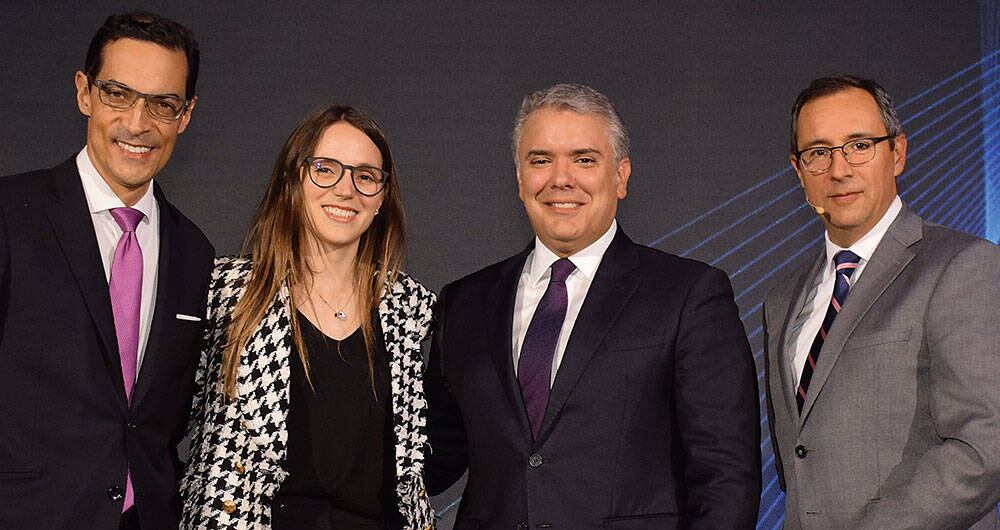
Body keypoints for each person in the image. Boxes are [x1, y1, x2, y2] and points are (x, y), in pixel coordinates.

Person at [425, 83, 760, 528]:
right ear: (520, 179)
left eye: (584, 159)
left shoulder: (689, 295)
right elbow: (428, 459)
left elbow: (726, 476)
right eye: (540, 160)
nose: (561, 179)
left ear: (620, 176)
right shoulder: (463, 303)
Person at [0, 11, 212, 530]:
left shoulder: (195, 253)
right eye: (118, 94)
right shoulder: (9, 215)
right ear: (84, 93)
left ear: (185, 115)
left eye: (163, 104)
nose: (138, 124)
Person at [180, 104, 435, 529]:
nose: (346, 189)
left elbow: (432, 452)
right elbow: (156, 424)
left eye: (365, 176)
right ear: (292, 180)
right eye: (325, 169)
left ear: (382, 198)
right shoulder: (225, 295)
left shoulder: (412, 311)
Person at [764, 75, 1000, 529]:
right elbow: (800, 457)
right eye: (818, 152)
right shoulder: (783, 298)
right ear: (799, 171)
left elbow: (984, 444)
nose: (839, 169)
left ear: (897, 153)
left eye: (859, 145)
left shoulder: (964, 266)